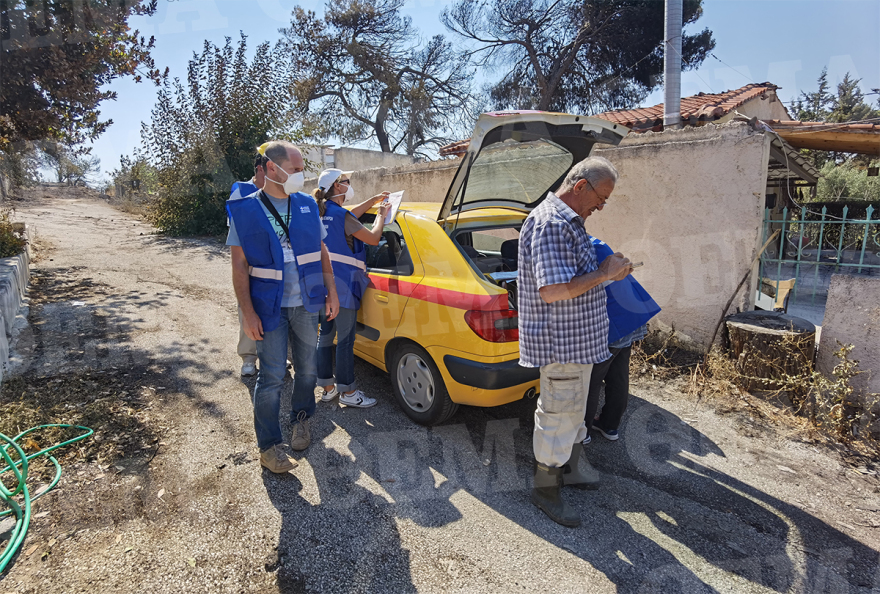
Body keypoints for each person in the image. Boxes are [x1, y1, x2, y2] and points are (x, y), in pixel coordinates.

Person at [518, 156, 632, 527]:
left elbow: (576, 277)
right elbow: (552, 291)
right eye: (601, 197)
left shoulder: (570, 221)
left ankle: (571, 467)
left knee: (573, 412)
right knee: (557, 417)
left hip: (579, 341)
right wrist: (604, 273)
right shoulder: (552, 223)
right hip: (562, 344)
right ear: (580, 186)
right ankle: (545, 490)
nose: (602, 205)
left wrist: (608, 272)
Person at [227, 140, 340, 474]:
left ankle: (301, 420)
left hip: (306, 303)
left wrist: (332, 292)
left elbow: (321, 251)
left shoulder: (306, 204)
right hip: (268, 308)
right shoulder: (245, 210)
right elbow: (238, 266)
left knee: (307, 371)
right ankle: (269, 447)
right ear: (272, 168)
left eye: (302, 168)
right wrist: (247, 313)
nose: (301, 175)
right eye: (295, 169)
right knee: (272, 376)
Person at [313, 169, 391, 408]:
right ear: (338, 186)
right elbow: (373, 238)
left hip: (322, 285)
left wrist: (372, 199)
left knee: (325, 338)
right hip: (344, 286)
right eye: (346, 181)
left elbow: (349, 217)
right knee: (345, 341)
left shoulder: (323, 212)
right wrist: (380, 214)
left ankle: (327, 388)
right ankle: (348, 393)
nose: (349, 184)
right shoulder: (341, 216)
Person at [583, 237, 661, 445]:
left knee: (590, 382)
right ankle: (610, 426)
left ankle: (583, 432)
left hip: (612, 323)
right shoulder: (597, 243)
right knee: (618, 377)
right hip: (630, 317)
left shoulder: (582, 247)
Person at [230, 153, 268, 377]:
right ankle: (248, 357)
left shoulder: (278, 192)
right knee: (247, 307)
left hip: (272, 261)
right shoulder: (241, 192)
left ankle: (271, 355)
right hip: (250, 261)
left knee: (273, 309)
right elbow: (236, 234)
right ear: (260, 169)